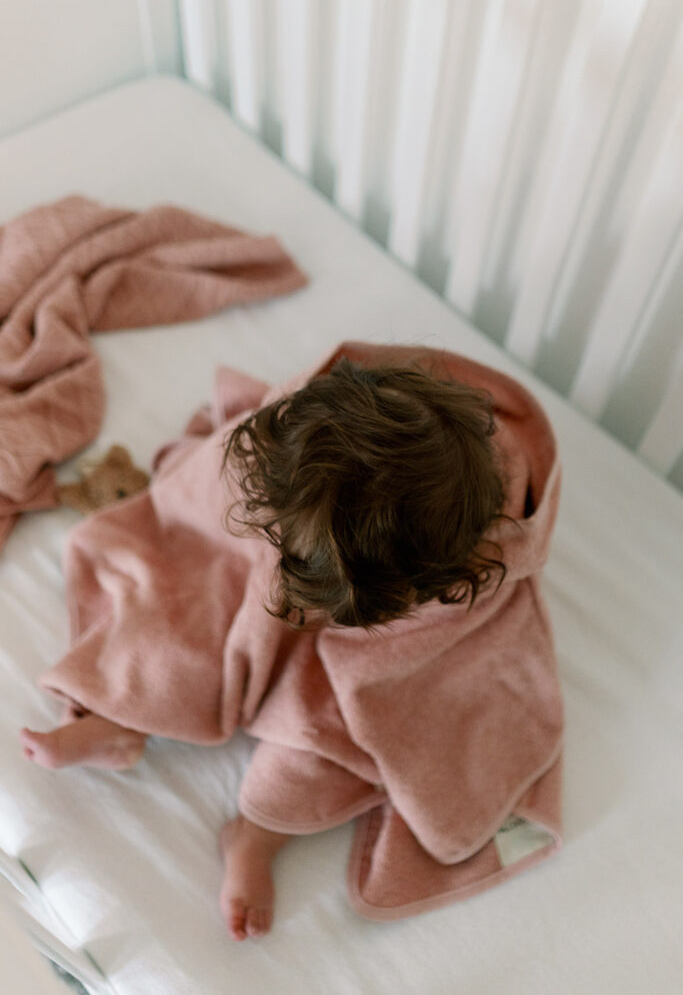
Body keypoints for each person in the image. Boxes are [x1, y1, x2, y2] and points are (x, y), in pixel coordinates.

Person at [20, 347, 561, 941]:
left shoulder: (472, 568)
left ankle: (255, 835)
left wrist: (349, 624)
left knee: (328, 742)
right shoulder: (298, 433)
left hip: (394, 606)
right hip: (319, 520)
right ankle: (122, 716)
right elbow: (213, 498)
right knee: (195, 584)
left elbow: (423, 675)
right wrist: (275, 570)